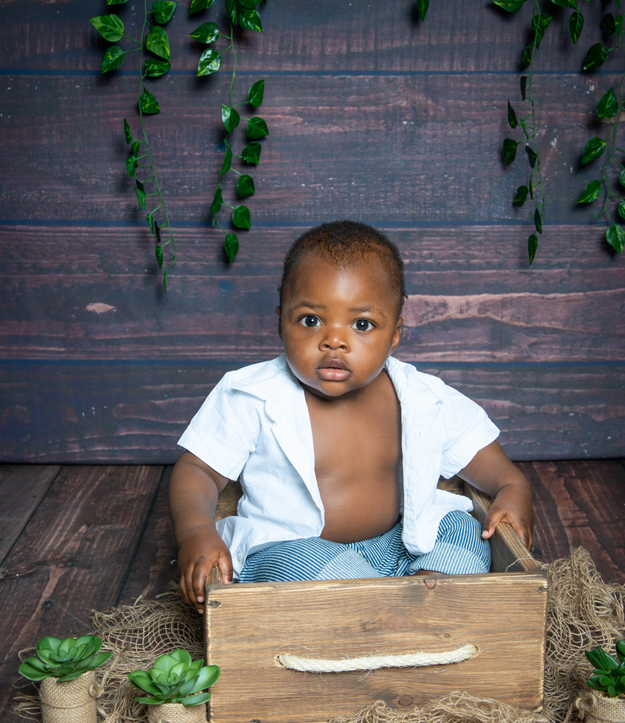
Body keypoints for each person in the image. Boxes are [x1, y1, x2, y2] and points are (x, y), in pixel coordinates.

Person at [170, 221, 534, 612]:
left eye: (362, 325)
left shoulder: (421, 397)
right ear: (280, 321)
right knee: (296, 566)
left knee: (463, 529)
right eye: (311, 320)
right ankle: (389, 610)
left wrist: (515, 490)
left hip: (398, 542)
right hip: (300, 550)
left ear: (394, 334)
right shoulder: (250, 393)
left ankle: (425, 596)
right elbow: (198, 470)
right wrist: (196, 531)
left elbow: (497, 470)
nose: (335, 340)